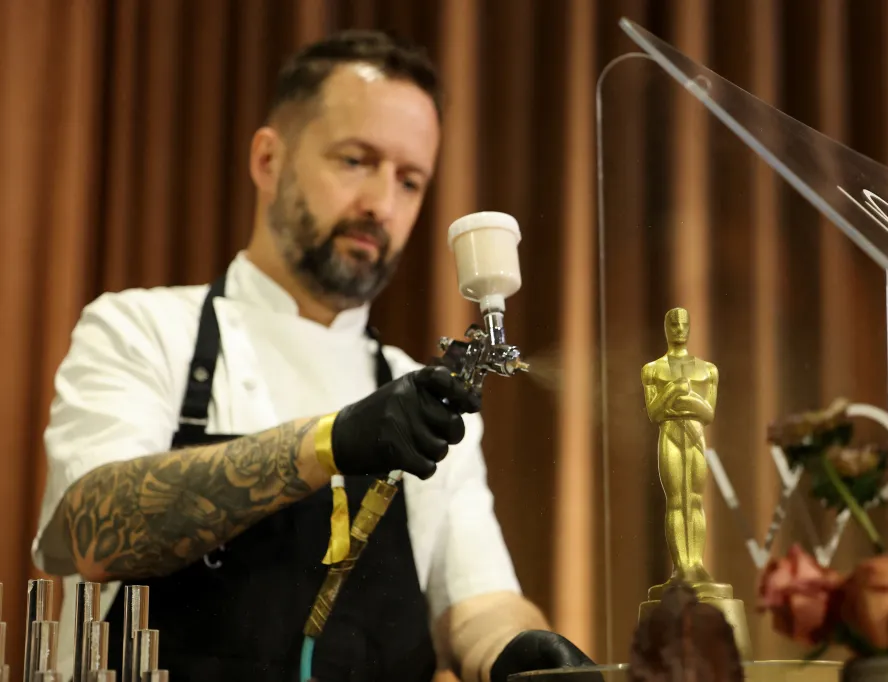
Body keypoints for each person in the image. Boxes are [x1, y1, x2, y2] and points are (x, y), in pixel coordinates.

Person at [33, 29, 593, 682]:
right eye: (355, 160)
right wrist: (330, 442)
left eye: (410, 181)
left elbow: (476, 603)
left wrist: (518, 650)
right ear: (268, 161)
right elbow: (92, 532)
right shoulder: (141, 328)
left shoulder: (422, 393)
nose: (381, 204)